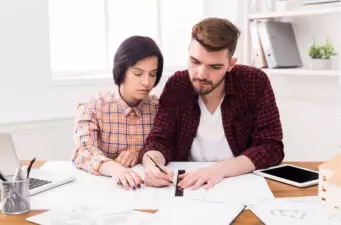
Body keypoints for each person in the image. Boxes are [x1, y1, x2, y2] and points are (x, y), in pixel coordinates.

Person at [139, 18, 284, 190]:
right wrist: (152, 166)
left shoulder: (254, 81)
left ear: (231, 64)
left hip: (238, 181)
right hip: (188, 183)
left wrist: (218, 170)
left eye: (214, 67)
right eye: (195, 61)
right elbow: (159, 141)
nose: (201, 74)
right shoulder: (177, 84)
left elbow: (271, 147)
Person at [72, 36, 163, 190]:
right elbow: (83, 151)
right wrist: (116, 169)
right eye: (138, 74)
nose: (147, 82)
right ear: (121, 71)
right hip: (105, 189)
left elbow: (171, 148)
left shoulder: (159, 108)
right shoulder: (93, 108)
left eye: (153, 74)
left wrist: (139, 154)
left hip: (149, 190)